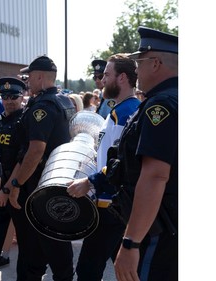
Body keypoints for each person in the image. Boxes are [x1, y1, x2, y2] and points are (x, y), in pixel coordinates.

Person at [110, 27, 178, 281]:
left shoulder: (160, 106)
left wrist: (131, 243)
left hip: (159, 232)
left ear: (156, 63)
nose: (135, 69)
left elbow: (155, 176)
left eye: (139, 61)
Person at [66, 53, 141, 281]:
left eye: (107, 75)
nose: (102, 80)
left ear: (122, 78)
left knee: (88, 270)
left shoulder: (125, 113)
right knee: (125, 271)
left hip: (111, 204)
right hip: (112, 202)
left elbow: (120, 164)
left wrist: (90, 181)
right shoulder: (118, 110)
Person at [2, 55, 76, 281]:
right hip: (57, 182)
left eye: (30, 77)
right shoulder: (64, 101)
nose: (27, 82)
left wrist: (16, 184)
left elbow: (35, 151)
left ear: (41, 77)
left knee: (35, 249)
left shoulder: (42, 106)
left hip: (38, 186)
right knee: (56, 246)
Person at [0, 77, 27, 271]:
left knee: (25, 242)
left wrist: (6, 189)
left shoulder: (24, 122)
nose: (9, 101)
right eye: (5, 96)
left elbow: (22, 160)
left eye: (14, 96)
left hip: (14, 189)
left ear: (21, 97)